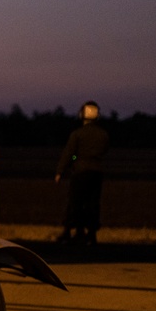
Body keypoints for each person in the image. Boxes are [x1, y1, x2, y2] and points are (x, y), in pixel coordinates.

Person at [55, 101, 110, 245]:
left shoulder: (77, 134)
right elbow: (104, 151)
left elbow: (69, 153)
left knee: (75, 201)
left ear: (82, 115)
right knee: (93, 203)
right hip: (96, 173)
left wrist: (60, 170)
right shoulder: (103, 135)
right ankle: (91, 235)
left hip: (80, 172)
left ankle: (69, 232)